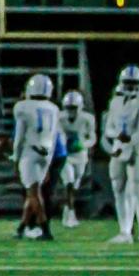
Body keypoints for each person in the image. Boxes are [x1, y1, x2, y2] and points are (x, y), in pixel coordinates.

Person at [101, 63, 139, 244]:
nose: (131, 86)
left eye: (135, 82)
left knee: (138, 191)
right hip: (119, 149)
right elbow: (109, 129)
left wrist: (135, 146)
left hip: (135, 150)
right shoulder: (115, 102)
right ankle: (125, 231)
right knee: (118, 190)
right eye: (128, 82)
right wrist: (117, 139)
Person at [11, 73, 61, 240]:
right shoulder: (54, 109)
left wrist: (15, 157)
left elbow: (19, 137)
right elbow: (54, 136)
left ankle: (45, 229)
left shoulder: (23, 106)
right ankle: (21, 227)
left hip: (30, 152)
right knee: (33, 191)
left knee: (33, 193)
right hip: (46, 152)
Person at [58, 87, 97, 229]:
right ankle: (71, 213)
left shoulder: (88, 118)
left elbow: (93, 137)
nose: (71, 110)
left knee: (74, 185)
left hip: (80, 155)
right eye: (69, 107)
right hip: (65, 155)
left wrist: (83, 144)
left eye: (74, 107)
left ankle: (67, 210)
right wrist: (63, 144)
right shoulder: (59, 117)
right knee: (68, 182)